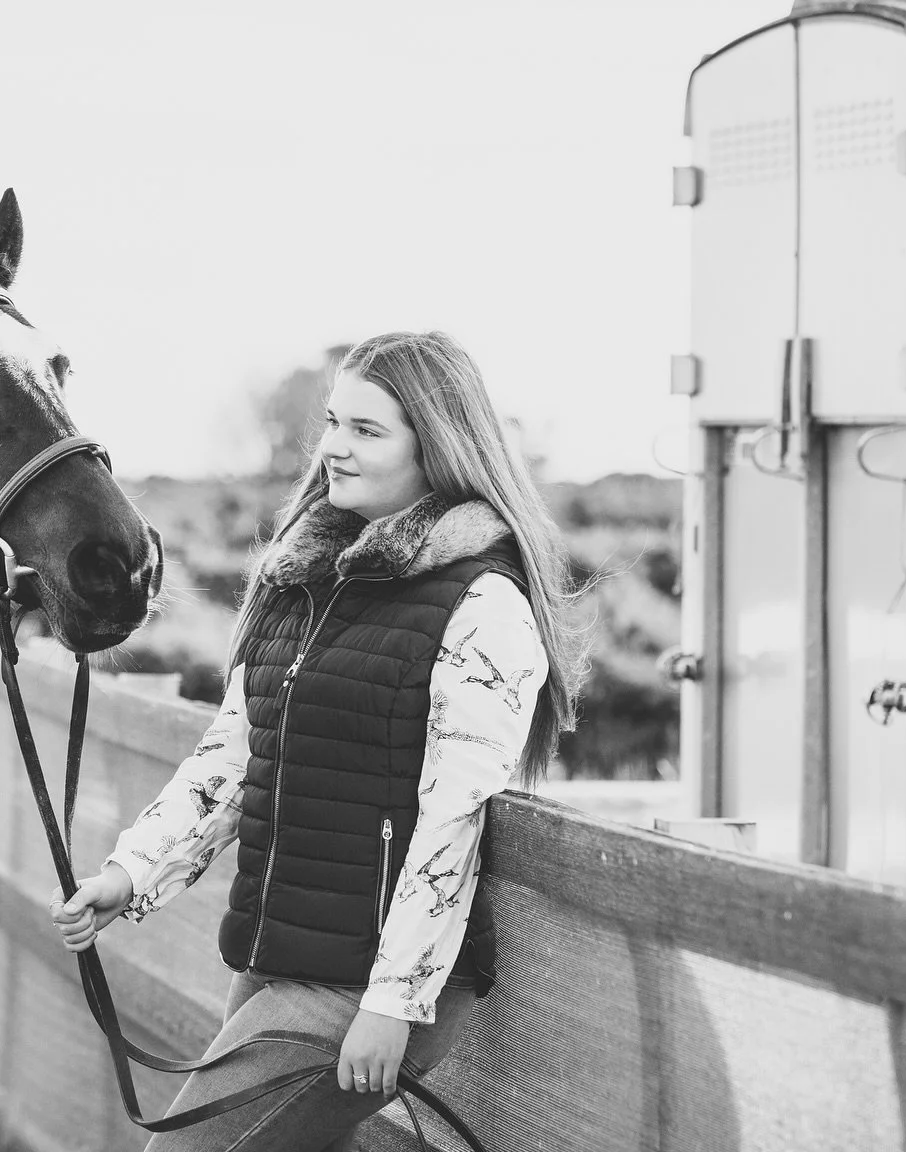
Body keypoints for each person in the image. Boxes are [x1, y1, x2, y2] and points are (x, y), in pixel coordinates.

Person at [51, 331, 582, 1151]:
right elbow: (232, 756)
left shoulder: (482, 604)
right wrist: (131, 873)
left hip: (365, 984)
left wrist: (392, 1004)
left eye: (368, 431)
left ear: (438, 448)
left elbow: (454, 821)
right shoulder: (304, 581)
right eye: (335, 422)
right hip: (280, 950)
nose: (333, 446)